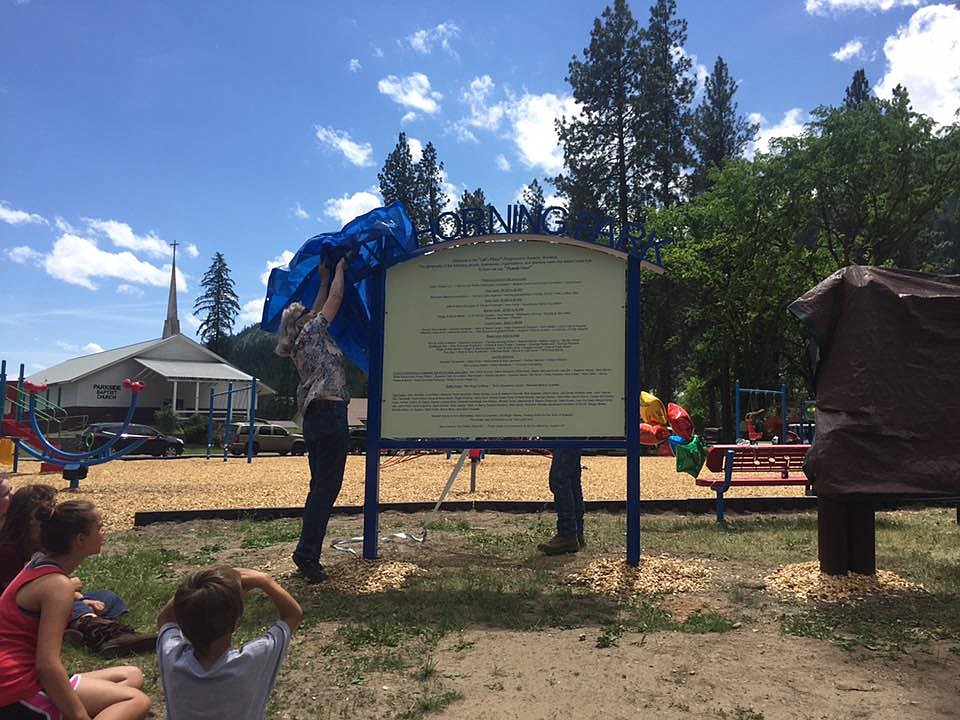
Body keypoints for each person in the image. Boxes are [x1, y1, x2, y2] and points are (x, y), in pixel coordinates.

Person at [0, 498, 151, 720]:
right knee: (137, 700)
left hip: (18, 672)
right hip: (14, 687)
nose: (104, 532)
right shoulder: (57, 586)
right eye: (99, 528)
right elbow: (47, 664)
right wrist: (79, 715)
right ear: (80, 539)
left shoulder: (39, 564)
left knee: (132, 675)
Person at [0, 484, 156, 657]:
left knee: (108, 598)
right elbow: (47, 663)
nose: (52, 514)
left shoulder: (45, 548)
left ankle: (83, 627)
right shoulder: (9, 549)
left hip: (44, 605)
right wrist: (72, 591)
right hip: (26, 615)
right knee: (70, 604)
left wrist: (79, 597)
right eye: (99, 528)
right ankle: (97, 630)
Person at [275, 256, 350, 583]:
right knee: (325, 490)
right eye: (307, 311)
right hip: (331, 417)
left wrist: (323, 278)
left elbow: (320, 303)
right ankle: (307, 555)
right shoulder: (313, 332)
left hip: (316, 418)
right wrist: (340, 270)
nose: (313, 310)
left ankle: (306, 551)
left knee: (318, 489)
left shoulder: (300, 342)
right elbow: (333, 301)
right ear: (303, 321)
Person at [156, 566, 302, 720]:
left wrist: (195, 588)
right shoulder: (253, 659)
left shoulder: (171, 658)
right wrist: (264, 580)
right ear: (237, 618)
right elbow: (292, 614)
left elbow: (165, 619)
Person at [537, 448, 585, 555]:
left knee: (560, 479)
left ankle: (567, 534)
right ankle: (576, 533)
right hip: (575, 434)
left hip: (568, 434)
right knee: (572, 479)